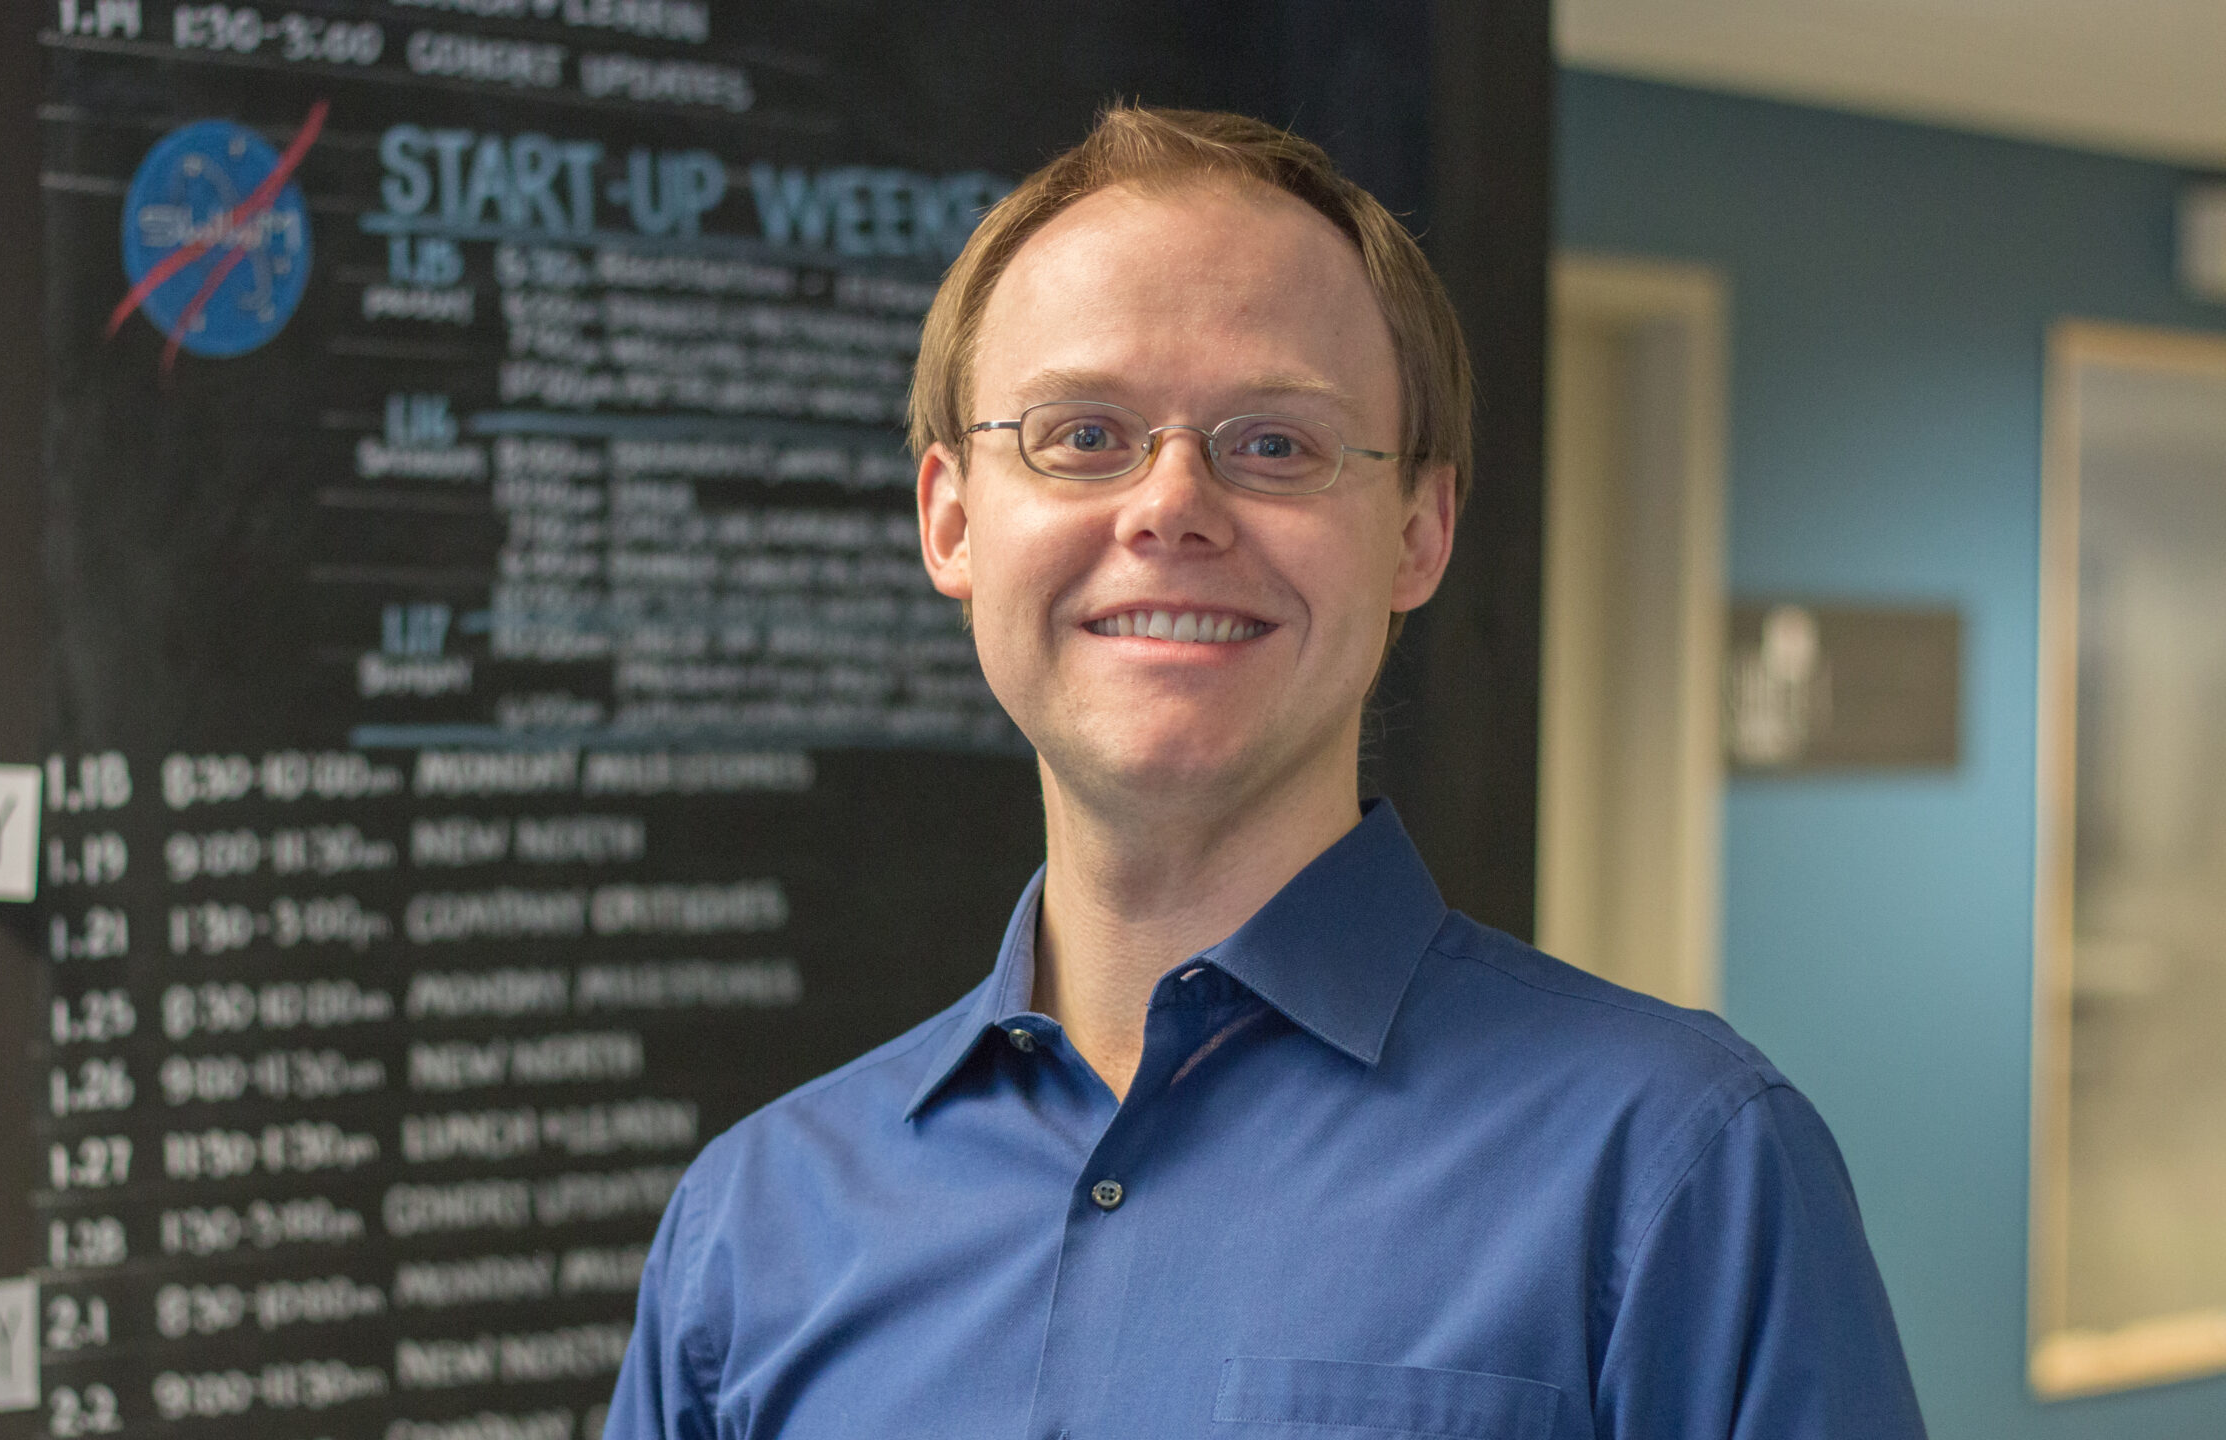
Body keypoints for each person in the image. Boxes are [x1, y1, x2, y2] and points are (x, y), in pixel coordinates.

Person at [604, 106, 1925, 1440]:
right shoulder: (751, 1237)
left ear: (1418, 532)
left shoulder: (1680, 1175)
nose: (1171, 506)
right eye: (1082, 436)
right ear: (952, 520)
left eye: (1276, 445)